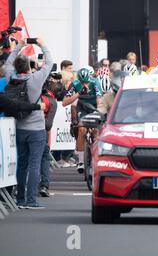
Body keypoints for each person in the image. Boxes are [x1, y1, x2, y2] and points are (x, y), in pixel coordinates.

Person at [4, 38, 53, 209]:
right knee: (35, 163)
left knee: (22, 163)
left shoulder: (11, 77)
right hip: (36, 128)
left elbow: (9, 62)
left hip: (18, 126)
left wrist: (20, 45)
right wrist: (42, 44)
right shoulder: (35, 80)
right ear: (28, 67)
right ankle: (31, 200)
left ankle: (20, 199)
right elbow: (50, 62)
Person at [63, 67, 102, 173]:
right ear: (79, 80)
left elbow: (99, 100)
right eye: (82, 82)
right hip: (82, 107)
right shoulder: (75, 84)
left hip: (94, 106)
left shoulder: (95, 83)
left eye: (86, 82)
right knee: (81, 129)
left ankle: (97, 155)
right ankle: (81, 161)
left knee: (95, 130)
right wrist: (78, 94)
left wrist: (98, 113)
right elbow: (64, 102)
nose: (85, 84)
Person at [39, 78, 61, 197]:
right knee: (44, 158)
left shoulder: (38, 97)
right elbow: (48, 124)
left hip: (24, 129)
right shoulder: (52, 102)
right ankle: (44, 185)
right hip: (41, 132)